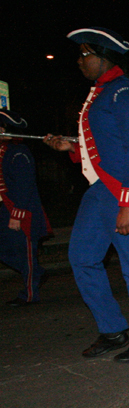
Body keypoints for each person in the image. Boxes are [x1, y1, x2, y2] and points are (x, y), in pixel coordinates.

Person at [43, 27, 129, 363]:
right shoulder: (100, 93)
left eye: (85, 54)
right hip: (99, 190)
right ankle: (113, 329)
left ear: (104, 57)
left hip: (126, 190)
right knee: (82, 258)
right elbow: (103, 145)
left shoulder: (125, 92)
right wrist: (70, 146)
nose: (80, 61)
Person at [0, 110, 49, 307]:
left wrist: (17, 214)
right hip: (4, 209)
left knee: (25, 252)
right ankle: (36, 272)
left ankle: (29, 294)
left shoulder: (18, 153)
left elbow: (24, 186)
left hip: (21, 211)